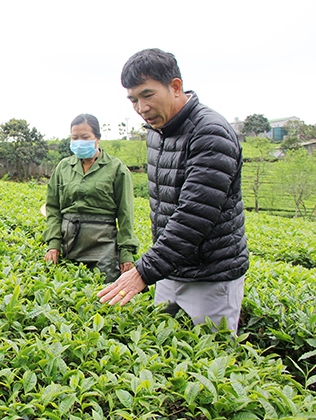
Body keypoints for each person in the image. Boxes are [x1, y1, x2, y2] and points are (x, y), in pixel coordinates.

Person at [98, 48, 249, 333]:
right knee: (164, 351)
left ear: (175, 87)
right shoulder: (157, 132)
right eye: (133, 100)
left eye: (147, 95)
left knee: (210, 361)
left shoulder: (210, 132)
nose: (141, 108)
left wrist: (144, 271)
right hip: (169, 269)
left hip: (211, 277)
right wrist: (156, 267)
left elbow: (194, 215)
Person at [43, 114, 139, 283]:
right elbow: (53, 209)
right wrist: (53, 243)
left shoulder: (116, 168)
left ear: (97, 139)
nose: (79, 141)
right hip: (69, 243)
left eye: (85, 137)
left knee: (103, 292)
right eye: (75, 137)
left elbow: (125, 214)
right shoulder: (63, 167)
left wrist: (126, 253)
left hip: (103, 245)